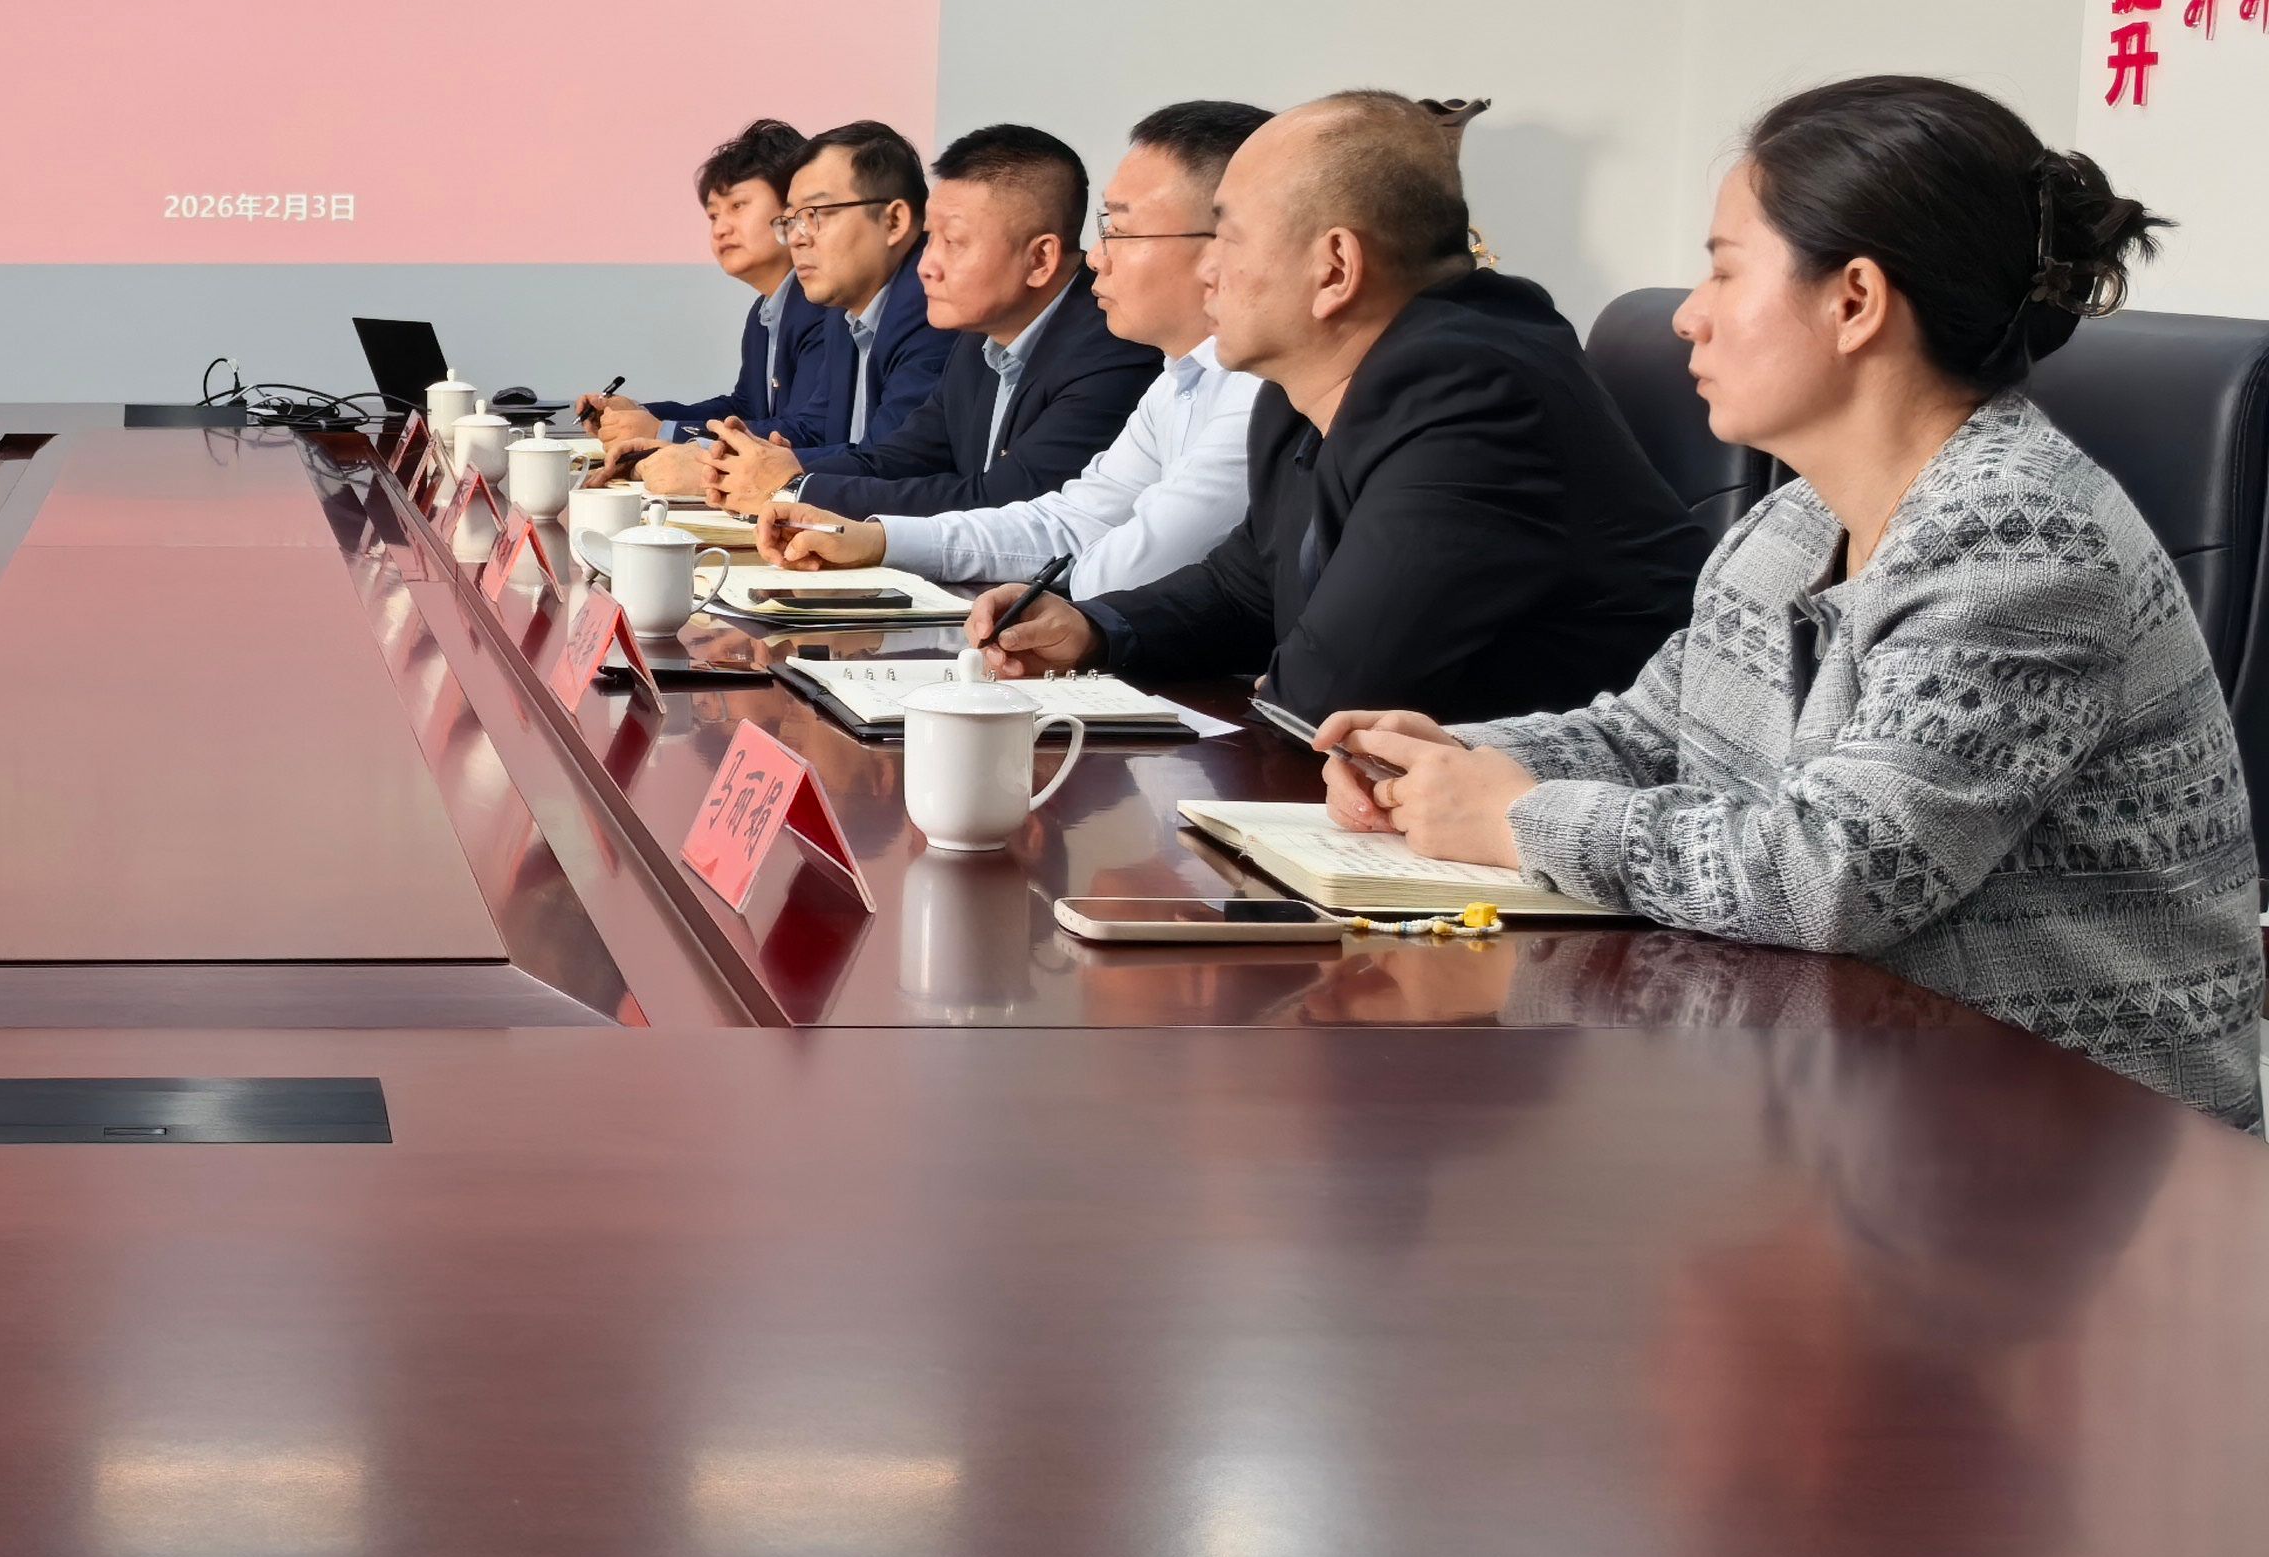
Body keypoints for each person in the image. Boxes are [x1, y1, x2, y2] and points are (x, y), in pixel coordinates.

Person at [1314, 75, 2263, 1126]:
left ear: (1854, 301)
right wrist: (1447, 762)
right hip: (1859, 1095)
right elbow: (1655, 735)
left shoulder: (2021, 545)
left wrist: (1517, 818)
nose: (1689, 315)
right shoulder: (1800, 519)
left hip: (2079, 1143)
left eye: (1724, 271)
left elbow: (1841, 873)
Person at [973, 88, 1706, 718]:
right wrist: (1094, 631)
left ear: (1334, 270)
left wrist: (1285, 677)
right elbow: (1244, 587)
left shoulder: (1473, 392)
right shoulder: (1298, 393)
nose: (1207, 270)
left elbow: (1336, 691)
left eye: (1229, 238)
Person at [760, 99, 1271, 597]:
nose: (1097, 257)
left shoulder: (1227, 384)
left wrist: (800, 485)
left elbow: (1121, 566)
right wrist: (878, 539)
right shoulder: (1176, 378)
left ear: (1224, 249)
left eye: (1120, 230)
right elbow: (1069, 520)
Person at [707, 122, 1156, 522]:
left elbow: (1004, 501)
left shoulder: (1108, 349)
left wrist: (795, 488)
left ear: (1040, 259)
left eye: (953, 242)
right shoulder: (978, 339)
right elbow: (902, 458)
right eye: (931, 239)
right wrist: (788, 470)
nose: (926, 266)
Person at [618, 121, 947, 508]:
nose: (797, 237)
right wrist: (699, 447)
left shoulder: (929, 308)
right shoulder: (843, 313)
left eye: (815, 214)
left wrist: (724, 468)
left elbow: (896, 463)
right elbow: (817, 430)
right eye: (791, 221)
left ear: (894, 221)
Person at [582, 117, 832, 456]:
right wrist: (641, 415)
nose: (720, 229)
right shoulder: (765, 310)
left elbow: (808, 432)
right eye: (714, 215)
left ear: (793, 208)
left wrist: (665, 432)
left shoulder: (822, 307)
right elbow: (746, 408)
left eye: (737, 206)